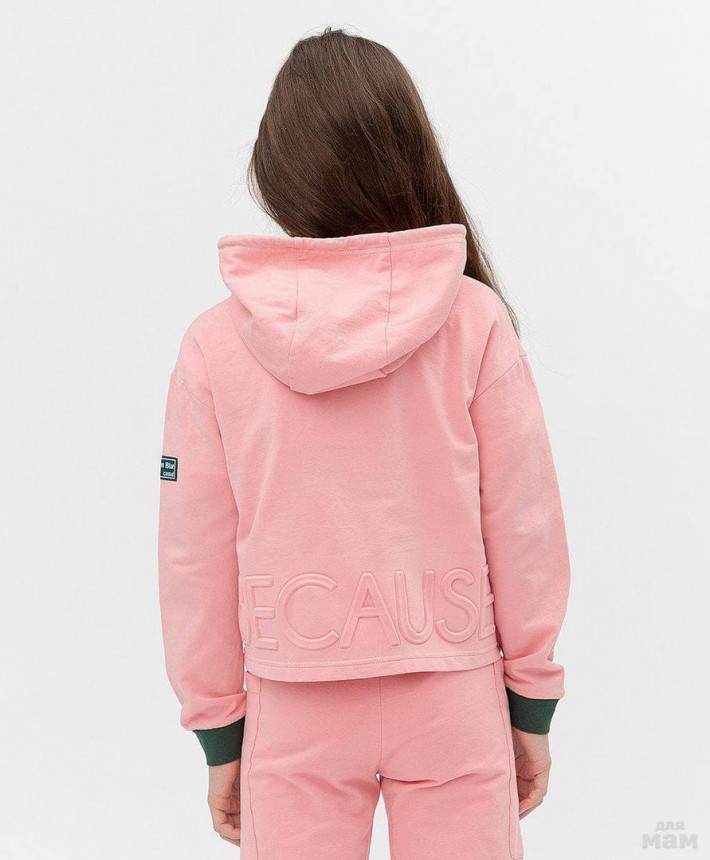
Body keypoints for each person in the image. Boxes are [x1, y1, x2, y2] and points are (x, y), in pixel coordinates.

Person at [159, 27, 570, 860]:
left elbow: (191, 556)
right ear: (408, 156)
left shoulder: (215, 345)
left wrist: (220, 731)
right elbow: (525, 523)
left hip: (294, 702)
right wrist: (530, 701)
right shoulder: (474, 321)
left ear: (276, 171)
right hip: (451, 694)